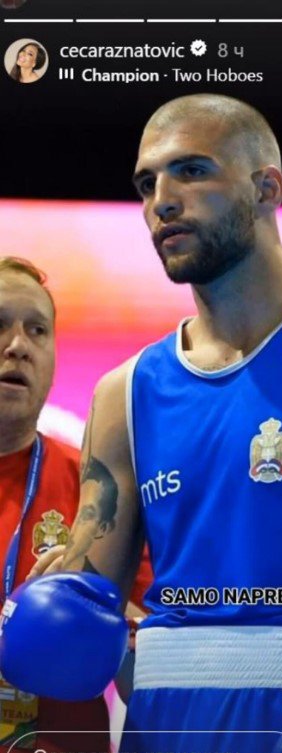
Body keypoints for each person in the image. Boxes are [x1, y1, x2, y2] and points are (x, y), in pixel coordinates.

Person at [3, 95, 282, 752]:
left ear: (266, 187)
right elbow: (86, 603)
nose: (162, 201)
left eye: (191, 171)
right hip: (168, 726)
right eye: (147, 184)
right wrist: (48, 608)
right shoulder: (124, 393)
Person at [0, 257, 110, 753]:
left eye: (37, 330)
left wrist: (96, 612)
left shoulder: (99, 489)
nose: (18, 346)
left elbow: (153, 651)